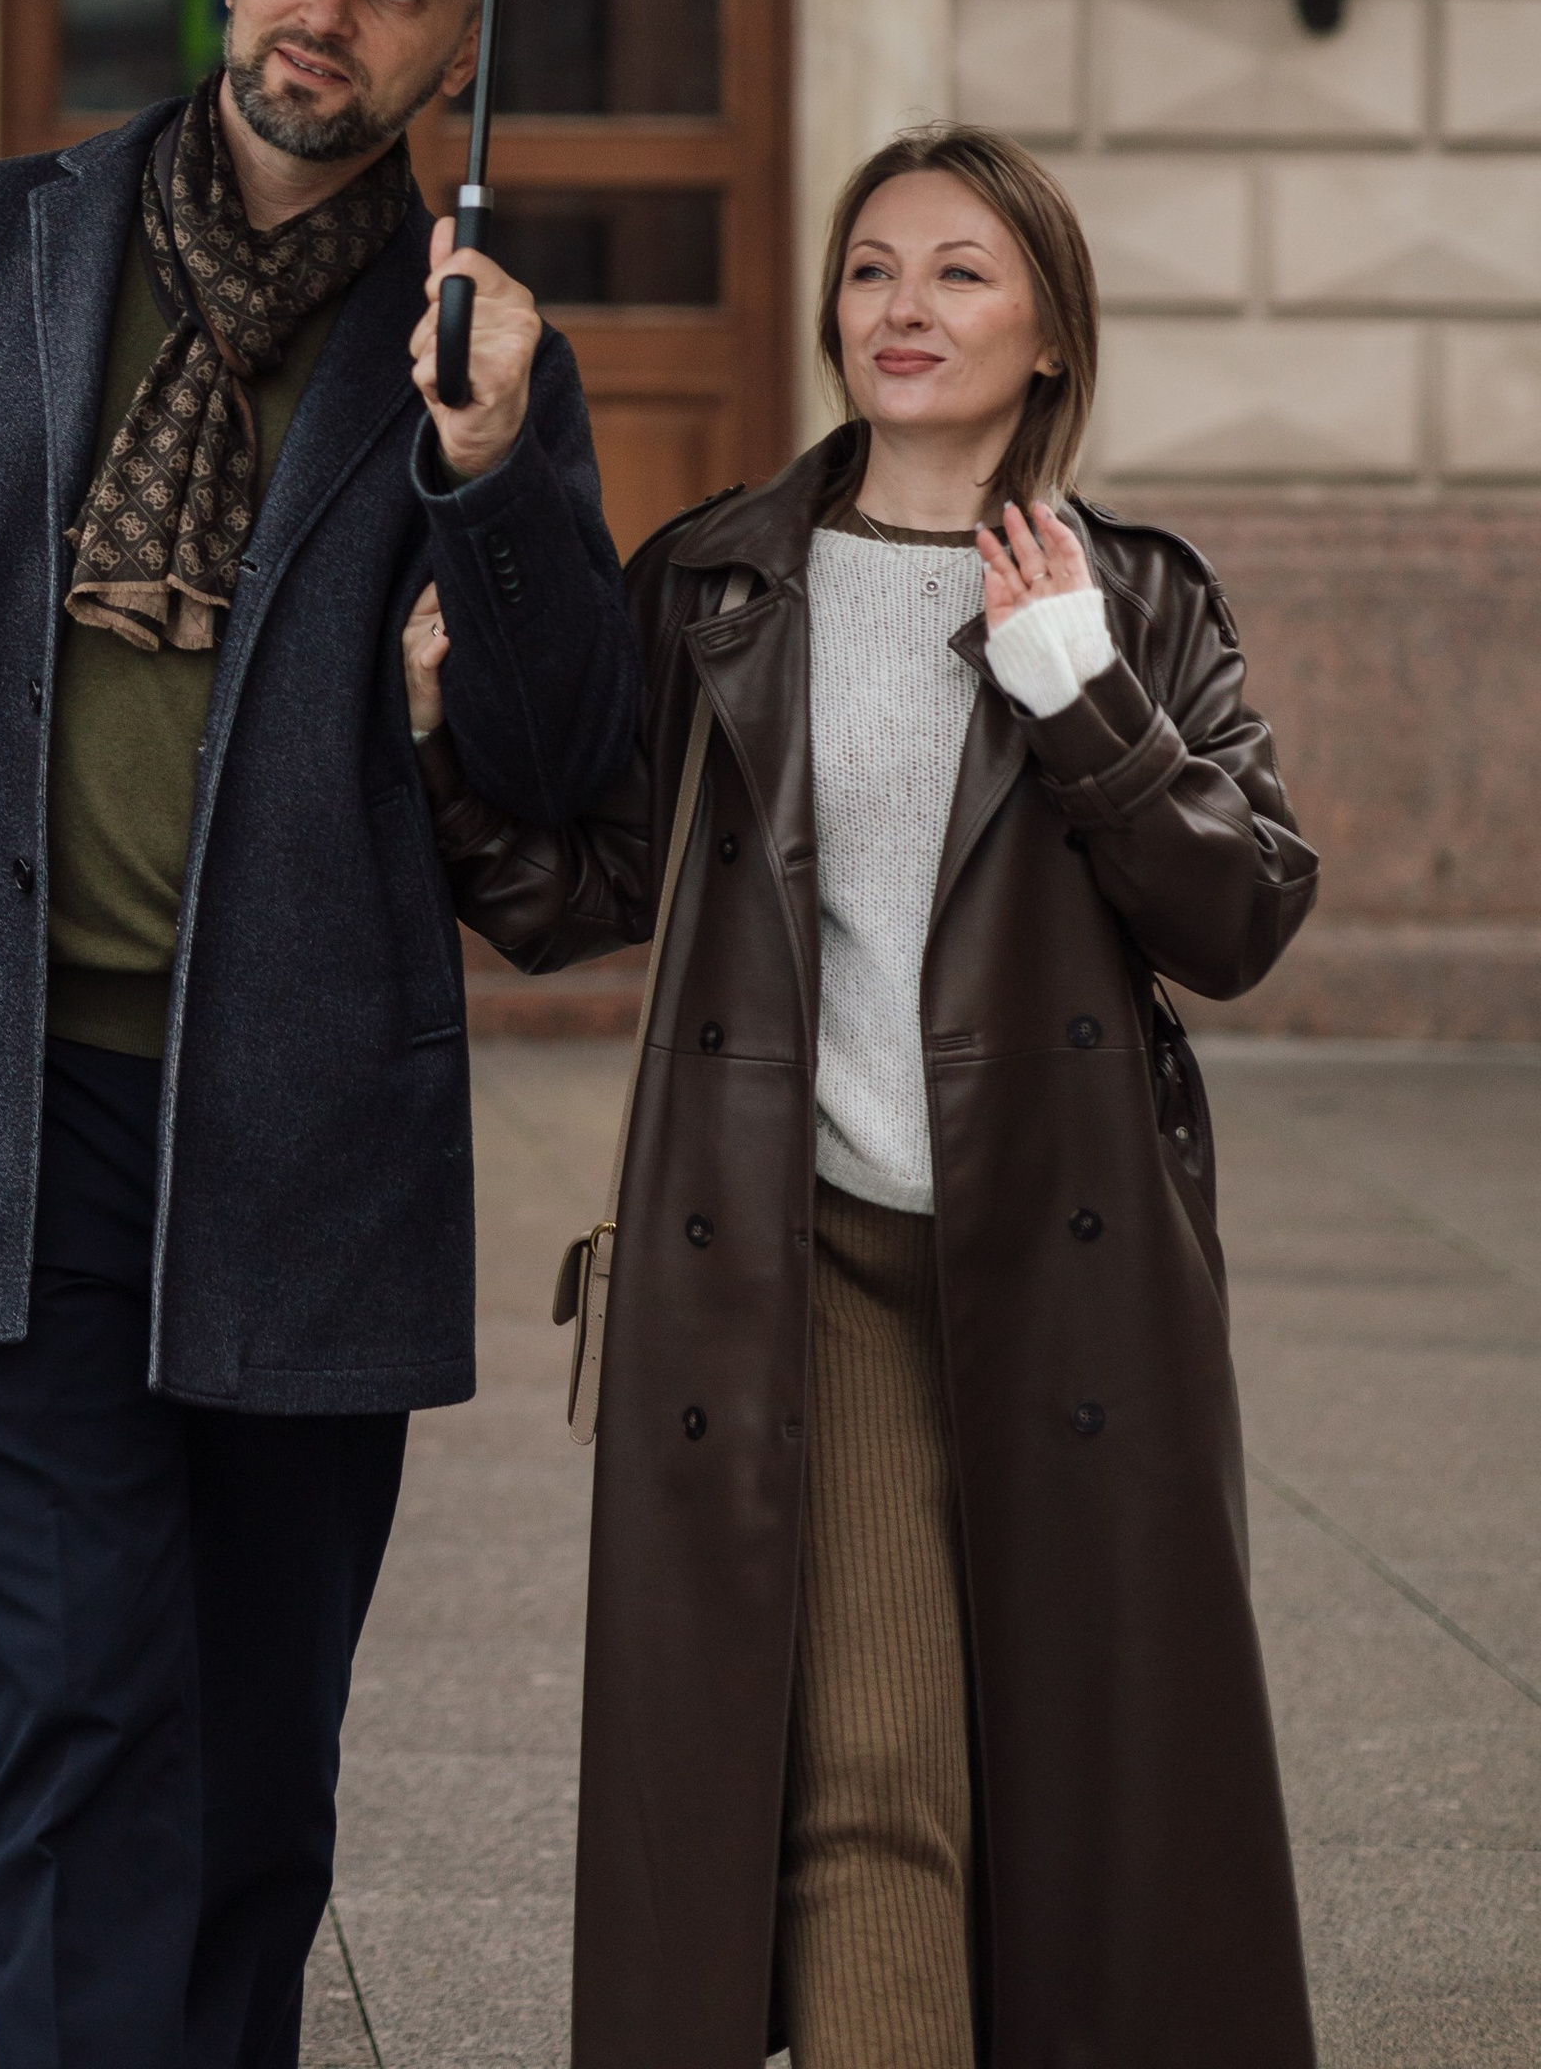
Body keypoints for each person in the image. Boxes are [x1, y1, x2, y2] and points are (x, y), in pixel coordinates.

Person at [0, 0, 636, 2069]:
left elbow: (561, 761)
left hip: (302, 1131)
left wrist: (491, 477)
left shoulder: (472, 349)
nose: (331, 10)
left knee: (261, 1758)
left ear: (459, 47)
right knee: (94, 1688)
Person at [406, 122, 1319, 2069]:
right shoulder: (719, 584)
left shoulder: (1135, 599)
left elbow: (1234, 915)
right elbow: (580, 896)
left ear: (1050, 333)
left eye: (958, 272)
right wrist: (436, 755)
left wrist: (1077, 688)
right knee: (864, 1781)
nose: (900, 310)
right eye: (870, 268)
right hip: (798, 1256)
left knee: (1091, 1813)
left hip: (1068, 1274)